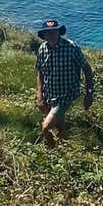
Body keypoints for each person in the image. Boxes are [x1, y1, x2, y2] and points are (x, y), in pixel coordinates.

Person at [34, 18, 93, 147]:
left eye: (54, 32)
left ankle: (51, 151)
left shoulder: (71, 47)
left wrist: (89, 93)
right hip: (49, 95)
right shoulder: (42, 49)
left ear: (59, 32)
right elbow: (40, 72)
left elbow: (87, 69)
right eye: (48, 32)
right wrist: (40, 96)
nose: (51, 35)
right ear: (44, 35)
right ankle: (63, 148)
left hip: (66, 96)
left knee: (46, 127)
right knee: (60, 127)